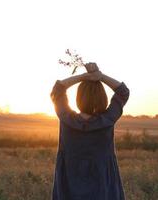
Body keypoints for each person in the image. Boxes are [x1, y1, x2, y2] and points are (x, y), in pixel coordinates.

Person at [51, 62, 130, 200]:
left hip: (69, 189)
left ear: (79, 98)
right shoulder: (106, 120)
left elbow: (58, 90)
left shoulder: (66, 119)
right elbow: (123, 92)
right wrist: (100, 77)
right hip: (102, 190)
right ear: (102, 98)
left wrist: (83, 77)